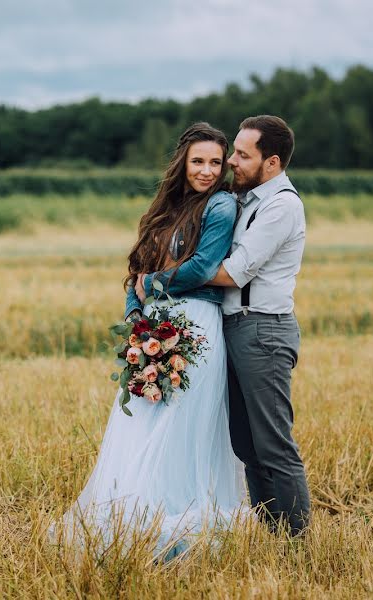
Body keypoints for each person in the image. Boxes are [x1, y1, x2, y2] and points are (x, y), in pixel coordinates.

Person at [51, 122, 246, 561]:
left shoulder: (220, 207)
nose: (208, 170)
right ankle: (132, 511)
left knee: (181, 422)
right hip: (153, 323)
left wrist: (151, 284)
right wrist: (134, 316)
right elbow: (136, 268)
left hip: (195, 319)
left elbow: (201, 268)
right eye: (199, 161)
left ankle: (174, 511)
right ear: (183, 163)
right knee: (141, 415)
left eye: (216, 162)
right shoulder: (166, 209)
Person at [207, 115, 311, 536]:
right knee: (246, 445)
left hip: (263, 331)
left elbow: (234, 274)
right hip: (237, 328)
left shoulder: (282, 206)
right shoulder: (248, 198)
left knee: (274, 446)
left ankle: (297, 542)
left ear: (271, 162)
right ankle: (273, 534)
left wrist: (170, 272)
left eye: (242, 155)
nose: (232, 160)